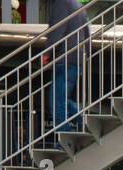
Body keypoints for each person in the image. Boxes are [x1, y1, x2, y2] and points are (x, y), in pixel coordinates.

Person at [44, 0, 90, 134]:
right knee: (62, 100)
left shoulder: (61, 4)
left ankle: (66, 139)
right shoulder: (78, 5)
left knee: (56, 103)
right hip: (76, 59)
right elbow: (87, 34)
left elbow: (57, 30)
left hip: (64, 58)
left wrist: (47, 52)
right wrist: (85, 57)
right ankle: (85, 124)